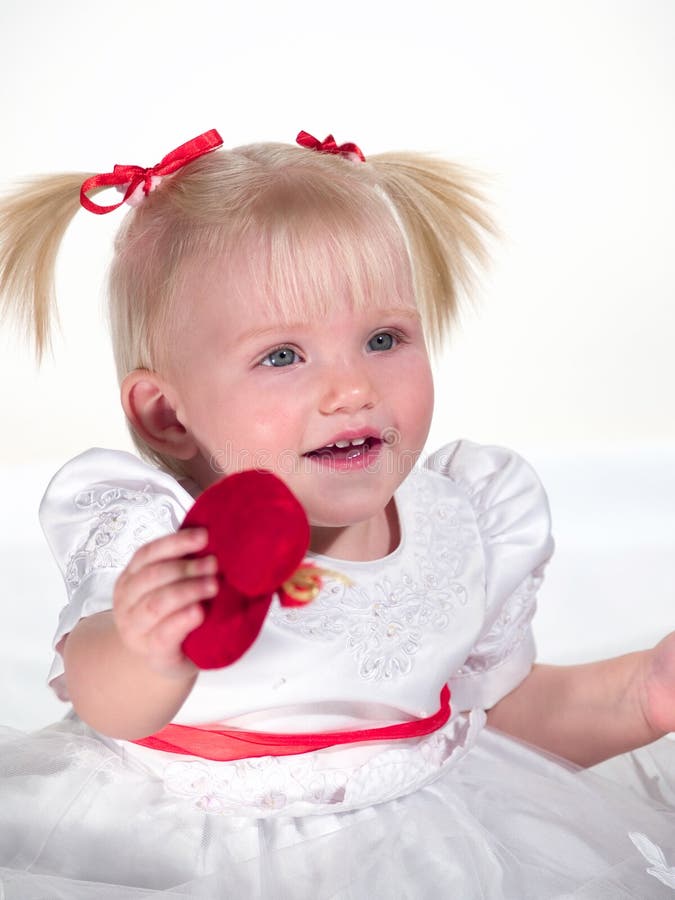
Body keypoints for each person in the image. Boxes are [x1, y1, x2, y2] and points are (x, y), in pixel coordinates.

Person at [0, 128, 673, 899]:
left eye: (383, 338)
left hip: (424, 855)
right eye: (282, 355)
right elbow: (103, 699)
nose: (352, 389)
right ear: (167, 416)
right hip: (189, 846)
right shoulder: (164, 539)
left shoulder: (467, 517)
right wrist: (146, 645)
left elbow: (491, 726)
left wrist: (641, 695)